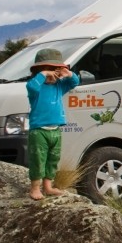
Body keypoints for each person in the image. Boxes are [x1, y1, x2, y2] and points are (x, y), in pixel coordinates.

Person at [26, 47, 80, 200]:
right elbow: (31, 86)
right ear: (39, 71)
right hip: (39, 130)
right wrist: (44, 74)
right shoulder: (36, 88)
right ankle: (35, 188)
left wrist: (68, 73)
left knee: (53, 159)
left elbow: (74, 82)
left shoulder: (59, 86)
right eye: (49, 70)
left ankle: (48, 186)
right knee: (38, 158)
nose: (53, 74)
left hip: (55, 130)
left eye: (56, 70)